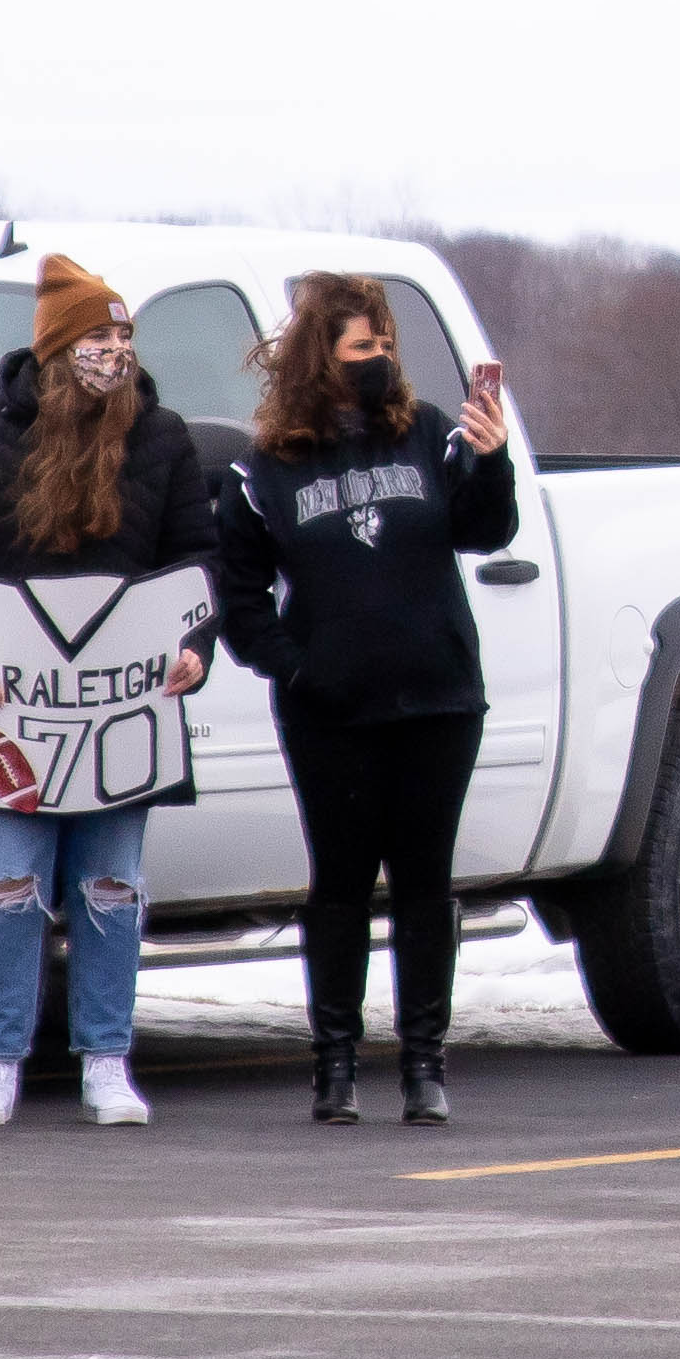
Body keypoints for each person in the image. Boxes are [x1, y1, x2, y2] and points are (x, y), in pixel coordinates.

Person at [0, 253, 219, 1129]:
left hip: (125, 715)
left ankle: (106, 1059)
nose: (113, 352)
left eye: (123, 336)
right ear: (54, 349)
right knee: (8, 885)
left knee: (111, 887)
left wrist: (194, 646)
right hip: (12, 715)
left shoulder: (162, 437)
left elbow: (197, 559)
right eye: (96, 336)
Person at [213, 274, 518, 1126]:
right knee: (340, 885)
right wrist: (297, 667)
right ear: (322, 358)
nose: (379, 358)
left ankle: (425, 1064)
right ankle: (335, 1066)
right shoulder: (267, 467)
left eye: (385, 344)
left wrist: (488, 460)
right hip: (331, 713)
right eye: (361, 347)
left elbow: (485, 529)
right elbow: (237, 598)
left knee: (426, 885)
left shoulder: (425, 434)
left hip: (438, 700)